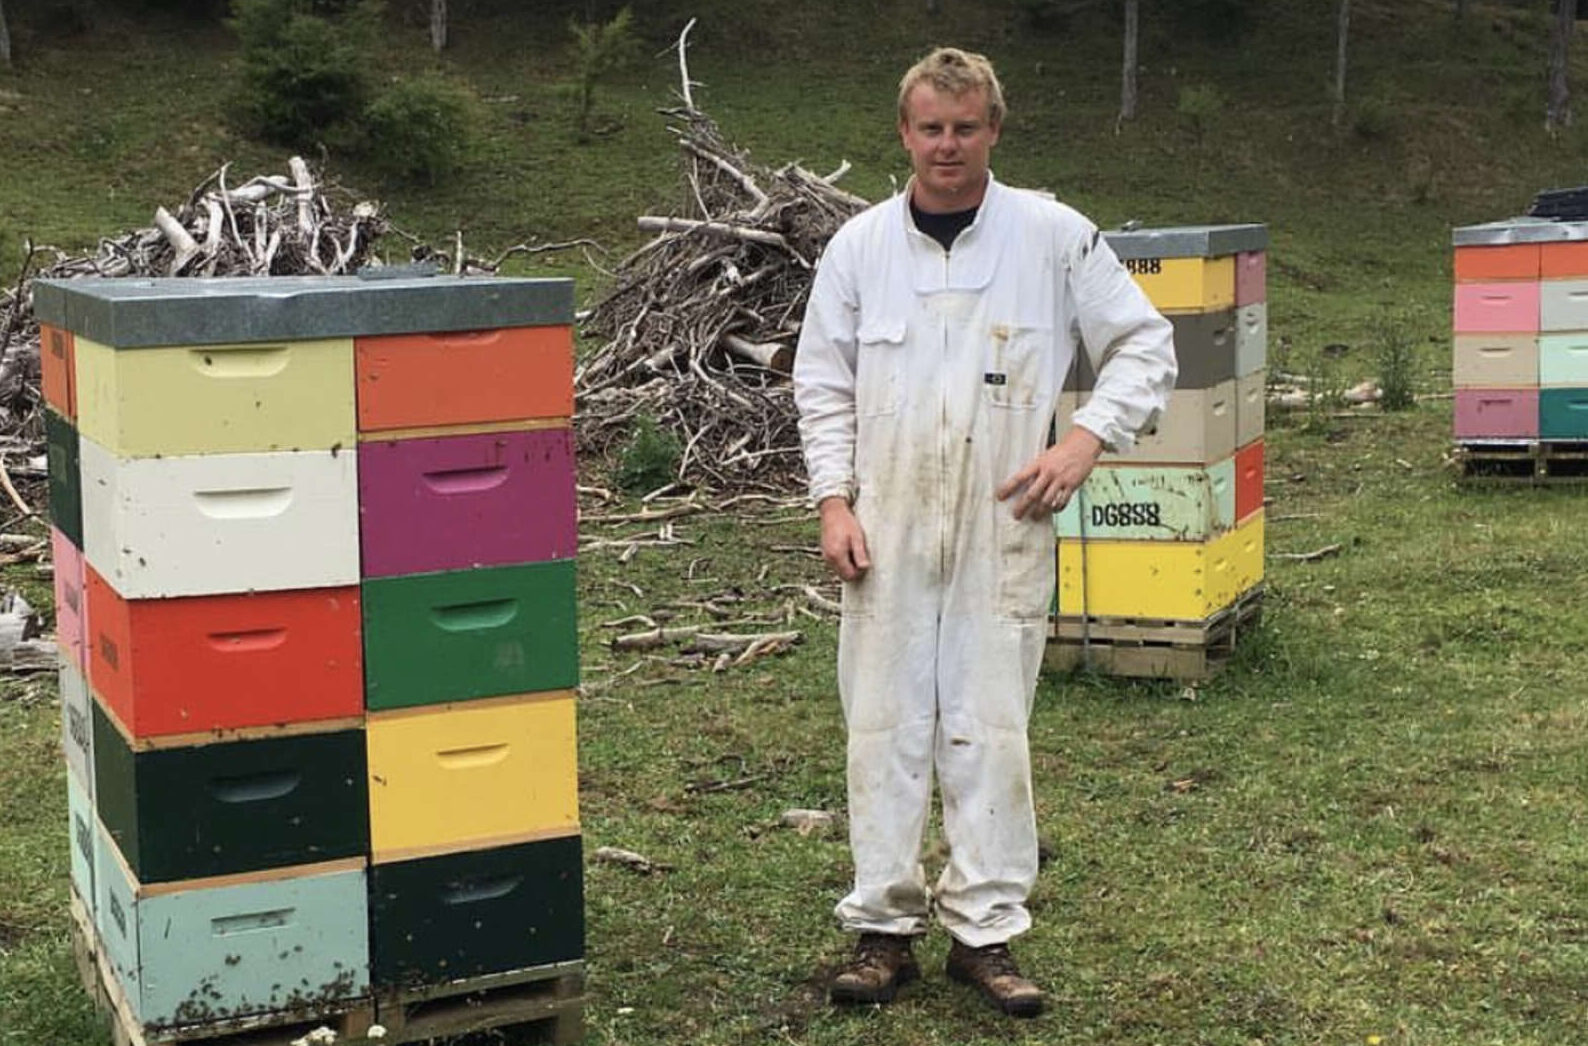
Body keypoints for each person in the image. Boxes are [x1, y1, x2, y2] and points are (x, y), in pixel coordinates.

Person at [791, 46, 1177, 1018]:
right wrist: (833, 499)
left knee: (989, 724)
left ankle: (985, 932)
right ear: (904, 133)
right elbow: (821, 381)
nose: (948, 145)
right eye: (931, 127)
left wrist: (1085, 440)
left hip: (1006, 520)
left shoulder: (1052, 236)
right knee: (880, 725)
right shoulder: (860, 248)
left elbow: (1145, 342)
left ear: (993, 130)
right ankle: (882, 927)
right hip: (883, 527)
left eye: (965, 127)